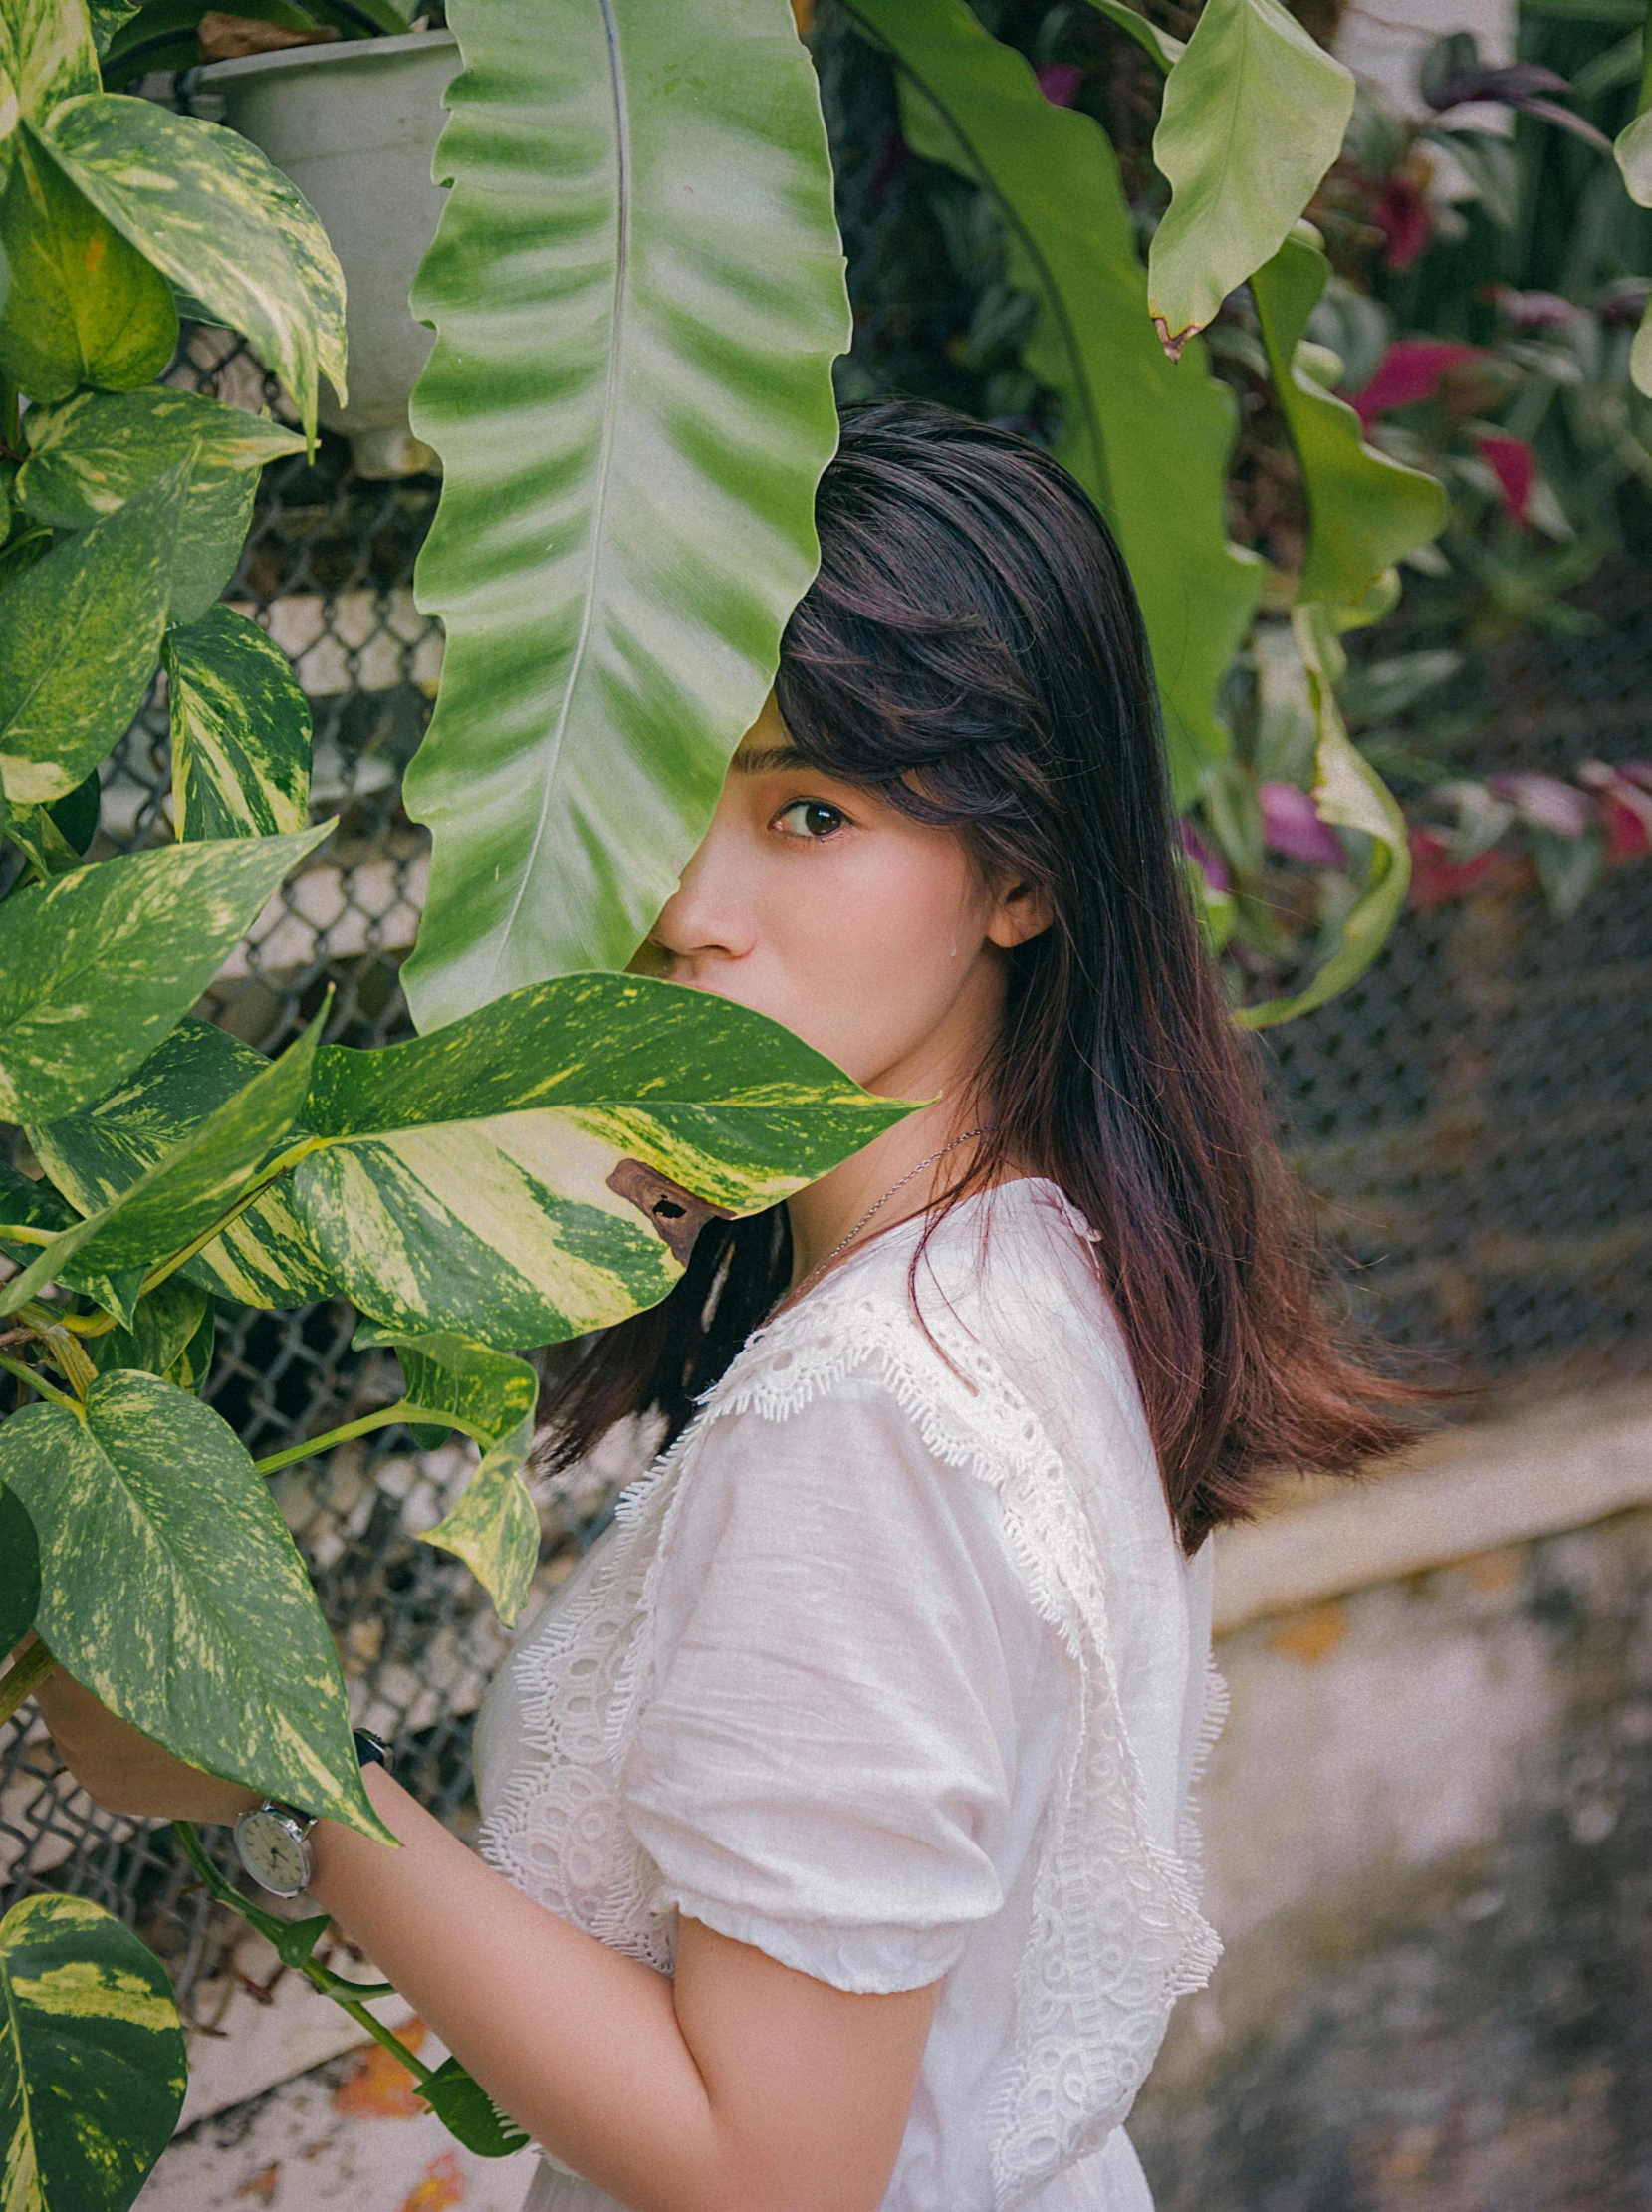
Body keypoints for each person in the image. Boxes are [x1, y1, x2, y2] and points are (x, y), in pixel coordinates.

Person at [35, 402, 1414, 2212]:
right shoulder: (1048, 1268)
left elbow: (769, 2170)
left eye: (809, 811)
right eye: (670, 790)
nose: (690, 904)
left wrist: (283, 1781)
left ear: (1022, 873)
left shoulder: (867, 1416)